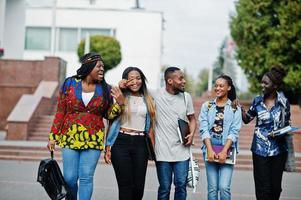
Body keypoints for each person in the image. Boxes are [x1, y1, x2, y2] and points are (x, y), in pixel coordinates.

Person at [47, 52, 125, 200]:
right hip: (69, 136)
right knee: (69, 178)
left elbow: (108, 115)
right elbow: (61, 111)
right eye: (99, 66)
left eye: (103, 67)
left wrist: (120, 104)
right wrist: (53, 136)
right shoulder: (69, 83)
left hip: (93, 138)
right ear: (88, 66)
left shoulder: (106, 89)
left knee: (86, 178)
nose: (102, 69)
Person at [104, 67, 156, 200]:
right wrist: (108, 147)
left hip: (141, 144)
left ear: (142, 80)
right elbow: (109, 117)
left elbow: (150, 127)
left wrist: (154, 149)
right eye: (131, 79)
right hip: (120, 141)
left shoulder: (148, 98)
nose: (135, 82)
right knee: (125, 186)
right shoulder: (119, 95)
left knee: (138, 187)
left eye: (138, 78)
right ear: (125, 81)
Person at [239, 67, 290, 200]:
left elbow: (287, 126)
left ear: (275, 86)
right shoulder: (257, 101)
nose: (262, 85)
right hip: (259, 149)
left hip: (278, 150)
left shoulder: (283, 102)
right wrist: (239, 109)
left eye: (265, 83)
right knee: (262, 188)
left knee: (275, 188)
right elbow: (247, 119)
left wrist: (277, 133)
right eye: (262, 82)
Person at [153, 67, 196, 200]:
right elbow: (136, 87)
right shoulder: (156, 94)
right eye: (180, 78)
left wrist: (192, 133)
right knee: (164, 187)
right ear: (170, 81)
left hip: (182, 151)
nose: (184, 81)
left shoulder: (186, 97)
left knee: (181, 186)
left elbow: (192, 119)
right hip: (162, 151)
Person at [199, 75, 242, 200]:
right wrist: (209, 150)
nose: (217, 88)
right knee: (212, 188)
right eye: (216, 85)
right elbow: (204, 129)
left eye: (221, 86)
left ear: (228, 88)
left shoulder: (235, 108)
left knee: (224, 187)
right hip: (210, 146)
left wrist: (224, 151)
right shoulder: (207, 106)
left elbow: (234, 131)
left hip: (227, 147)